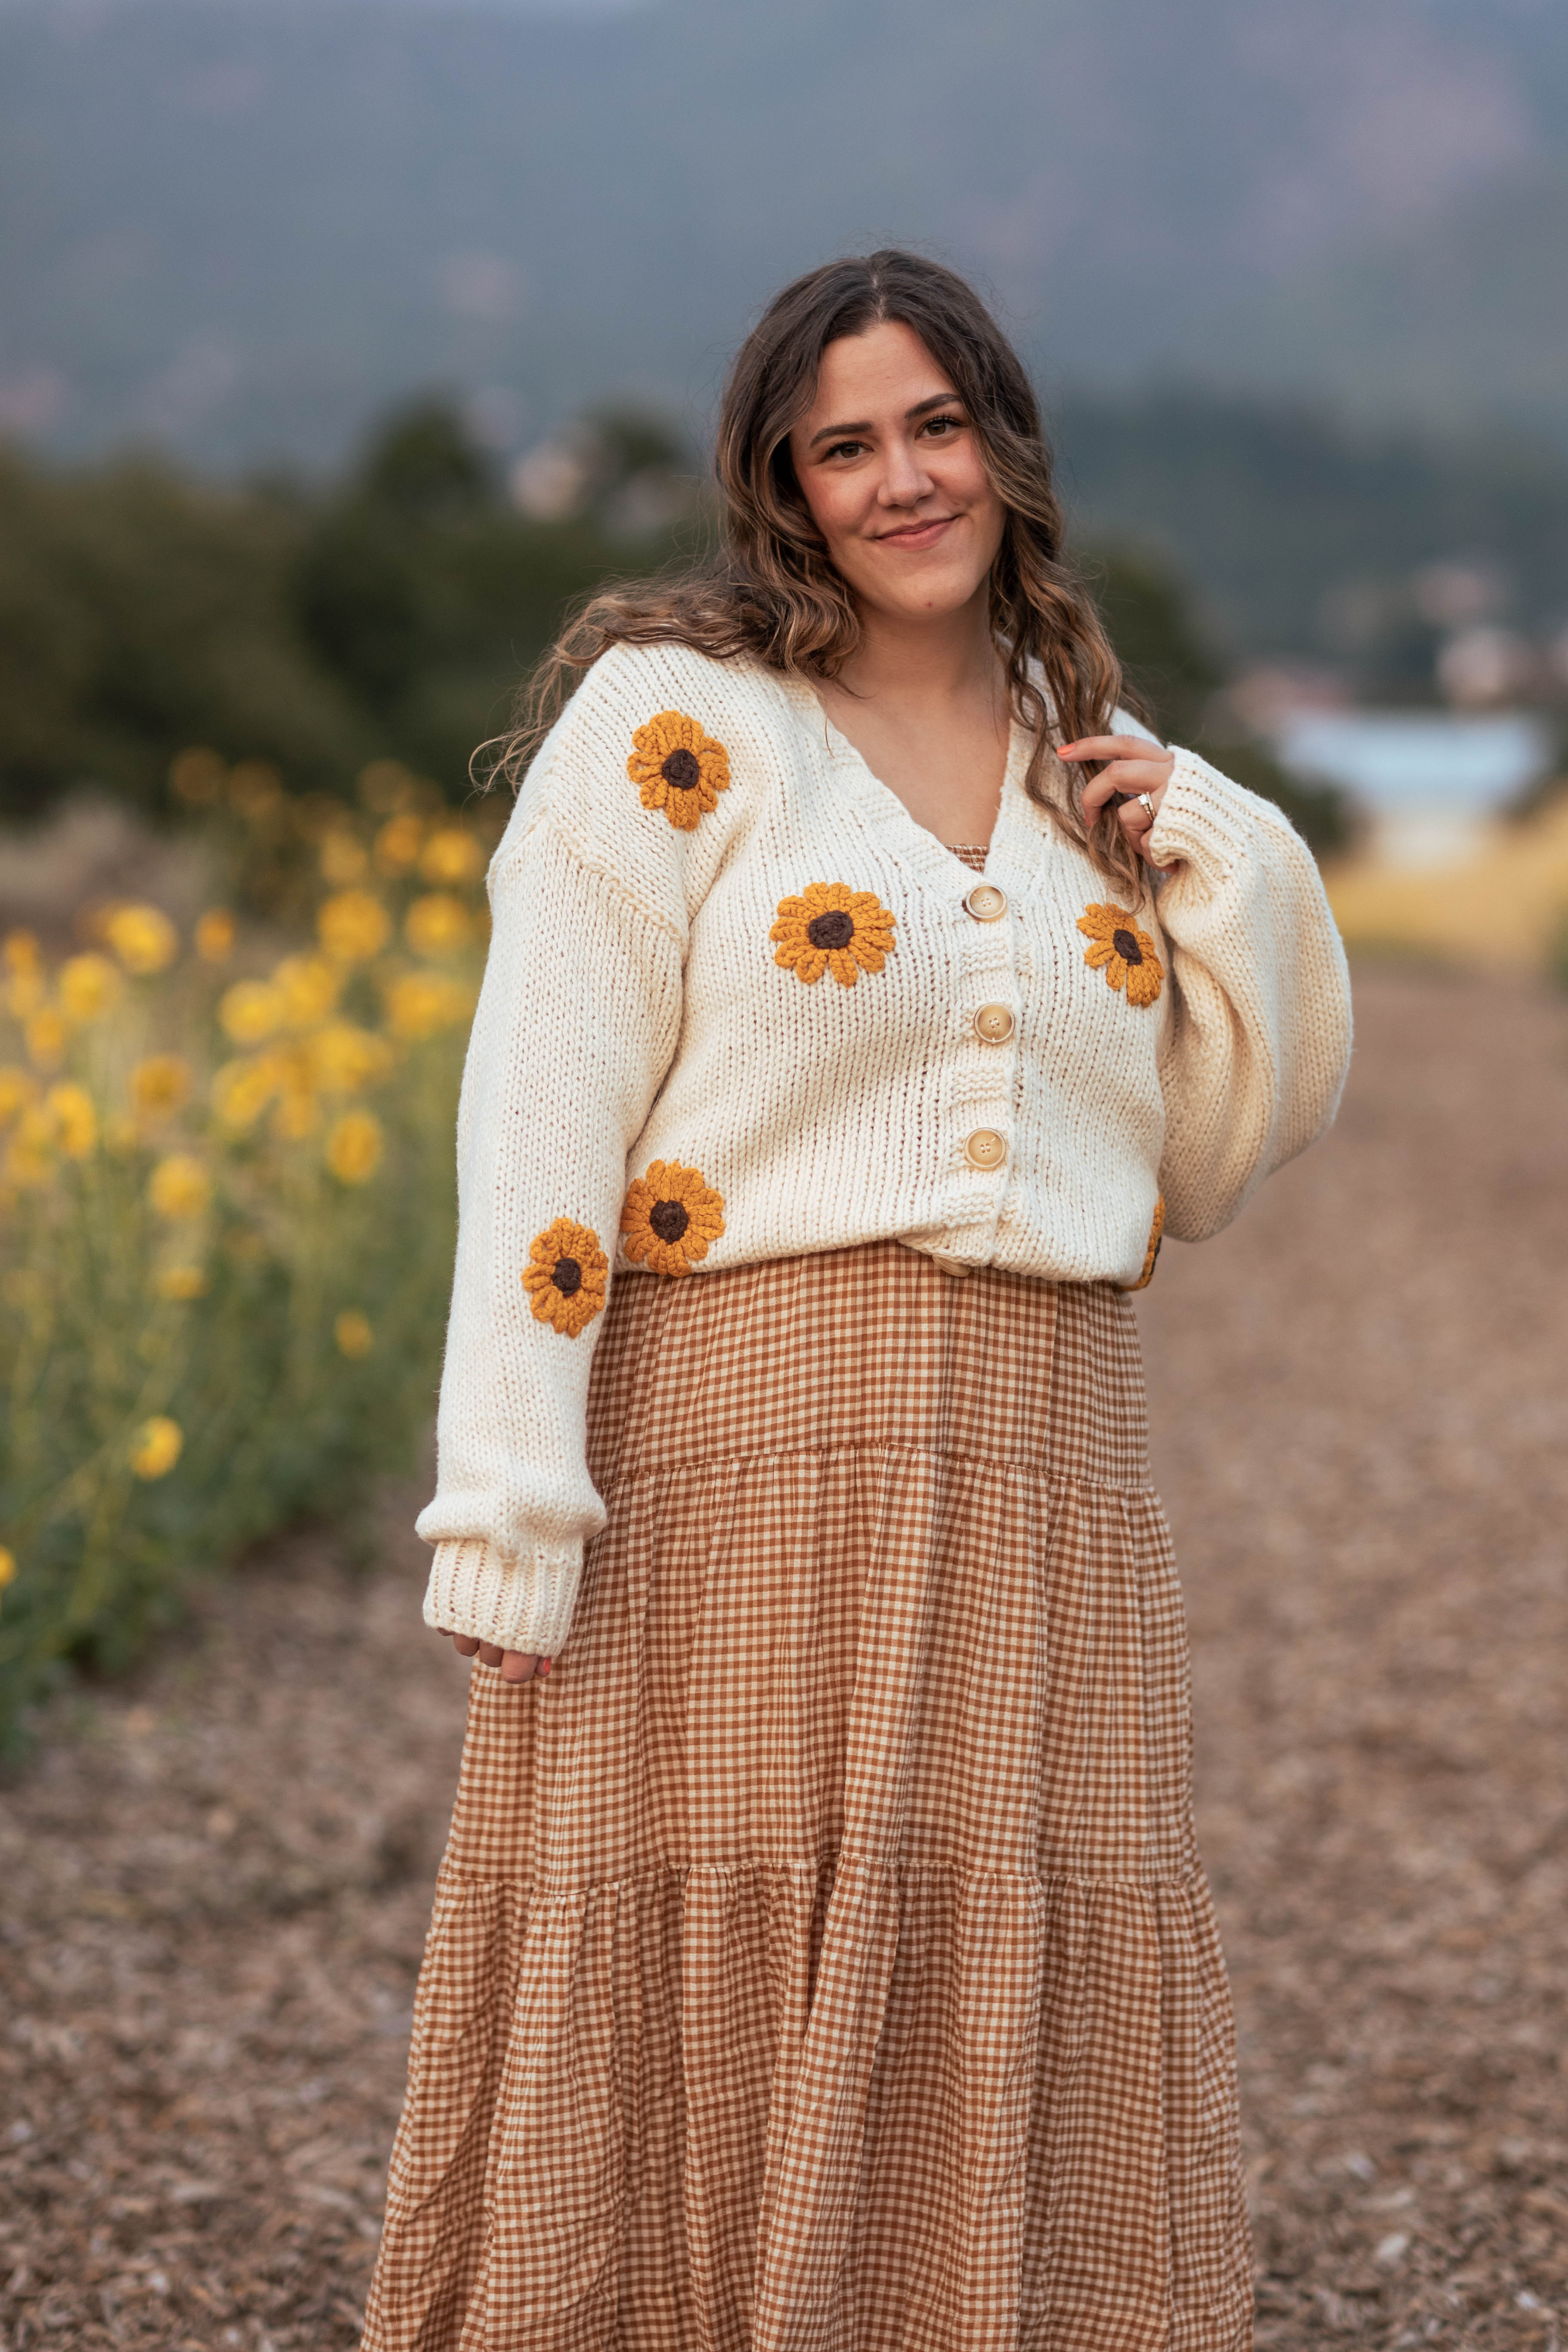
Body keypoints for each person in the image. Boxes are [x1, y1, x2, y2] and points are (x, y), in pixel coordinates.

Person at [362, 249, 1351, 2352]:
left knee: (1000, 1977)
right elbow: (539, 1128)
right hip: (738, 1458)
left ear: (1004, 442)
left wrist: (1223, 853)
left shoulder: (1096, 770)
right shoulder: (675, 723)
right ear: (782, 486)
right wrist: (508, 1502)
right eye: (846, 446)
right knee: (708, 1984)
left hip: (1042, 1472)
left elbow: (1206, 1157)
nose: (904, 479)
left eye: (936, 425)